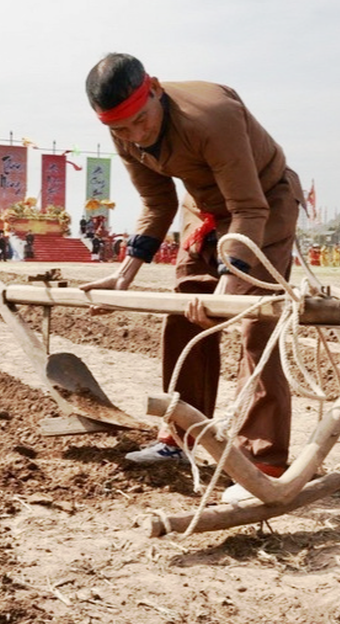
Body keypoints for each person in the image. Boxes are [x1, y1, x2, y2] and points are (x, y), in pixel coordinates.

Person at [79, 53, 304, 503]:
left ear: (156, 89)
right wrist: (124, 275)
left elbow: (249, 209)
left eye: (141, 121)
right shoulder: (122, 133)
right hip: (204, 211)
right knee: (183, 311)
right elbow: (158, 205)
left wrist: (229, 283)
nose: (134, 135)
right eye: (121, 129)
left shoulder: (211, 117)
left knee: (254, 323)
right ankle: (179, 436)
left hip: (265, 203)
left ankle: (262, 460)